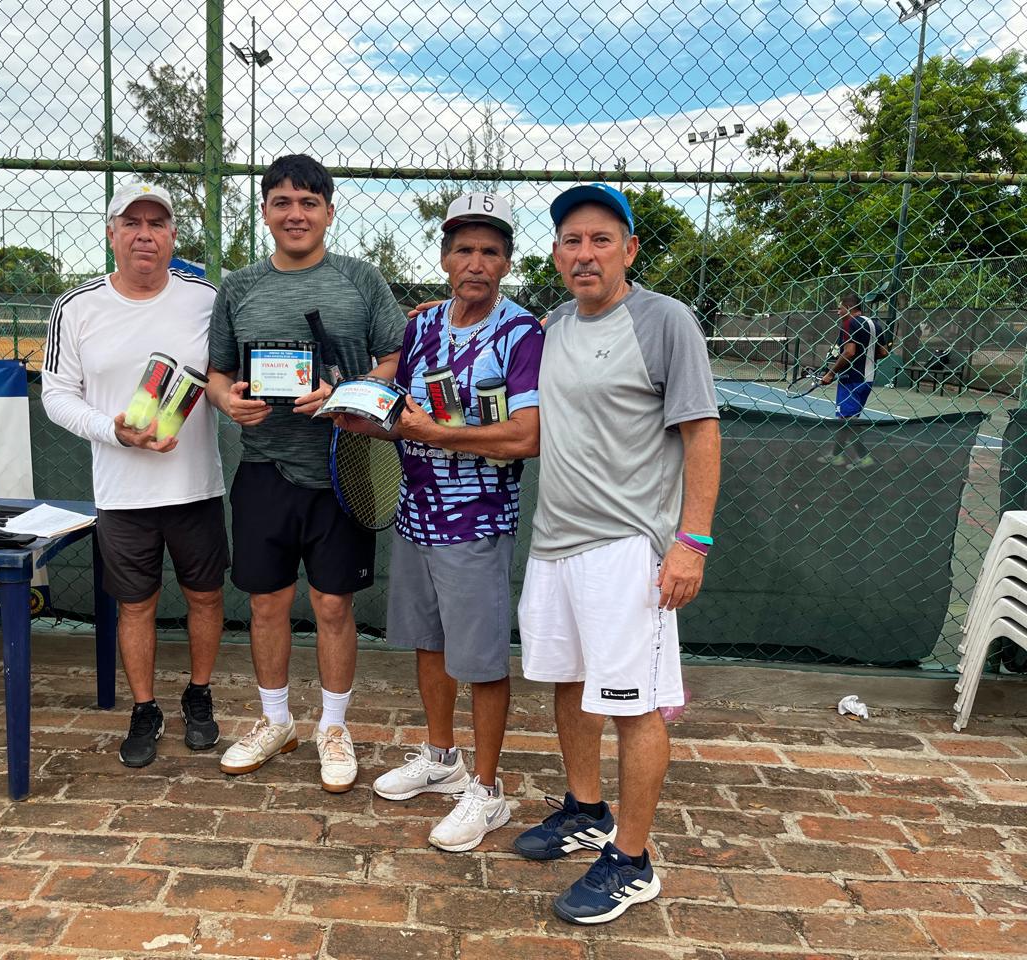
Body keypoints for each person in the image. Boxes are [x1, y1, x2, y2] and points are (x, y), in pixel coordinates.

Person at [513, 183, 720, 925]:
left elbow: (701, 432)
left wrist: (691, 543)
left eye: (602, 239)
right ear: (558, 254)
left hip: (628, 551)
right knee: (569, 684)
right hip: (554, 545)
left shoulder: (666, 321)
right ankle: (586, 811)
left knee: (635, 707)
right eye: (571, 240)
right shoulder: (555, 323)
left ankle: (632, 859)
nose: (584, 252)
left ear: (630, 249)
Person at [206, 154, 405, 793]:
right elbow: (215, 373)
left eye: (309, 203)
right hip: (264, 468)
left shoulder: (361, 280)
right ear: (264, 211)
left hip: (343, 468)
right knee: (266, 604)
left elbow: (395, 359)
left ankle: (334, 727)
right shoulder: (237, 287)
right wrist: (227, 401)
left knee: (332, 603)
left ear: (328, 209)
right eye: (283, 203)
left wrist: (344, 393)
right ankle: (275, 721)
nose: (296, 214)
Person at [360, 192, 543, 851]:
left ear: (506, 263)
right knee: (429, 643)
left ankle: (488, 791)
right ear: (443, 258)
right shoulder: (423, 326)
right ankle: (442, 758)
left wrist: (435, 434)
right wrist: (348, 407)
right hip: (416, 515)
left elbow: (527, 436)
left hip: (477, 522)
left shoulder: (523, 335)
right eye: (463, 249)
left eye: (490, 251)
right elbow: (396, 412)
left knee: (483, 660)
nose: (476, 262)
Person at [41, 180, 230, 767]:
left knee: (205, 595)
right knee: (135, 605)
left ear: (174, 235)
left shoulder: (207, 299)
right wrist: (113, 430)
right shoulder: (75, 308)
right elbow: (55, 396)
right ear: (112, 233)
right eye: (132, 223)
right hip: (121, 493)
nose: (144, 234)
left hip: (196, 485)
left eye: (157, 223)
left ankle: (199, 696)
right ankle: (144, 707)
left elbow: (230, 373)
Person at [820, 290, 878, 467]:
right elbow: (882, 351)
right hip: (867, 379)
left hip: (851, 380)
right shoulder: (874, 324)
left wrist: (830, 373)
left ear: (849, 307)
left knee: (848, 421)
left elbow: (850, 352)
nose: (838, 312)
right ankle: (836, 454)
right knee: (847, 419)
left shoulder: (848, 323)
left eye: (840, 308)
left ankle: (863, 457)